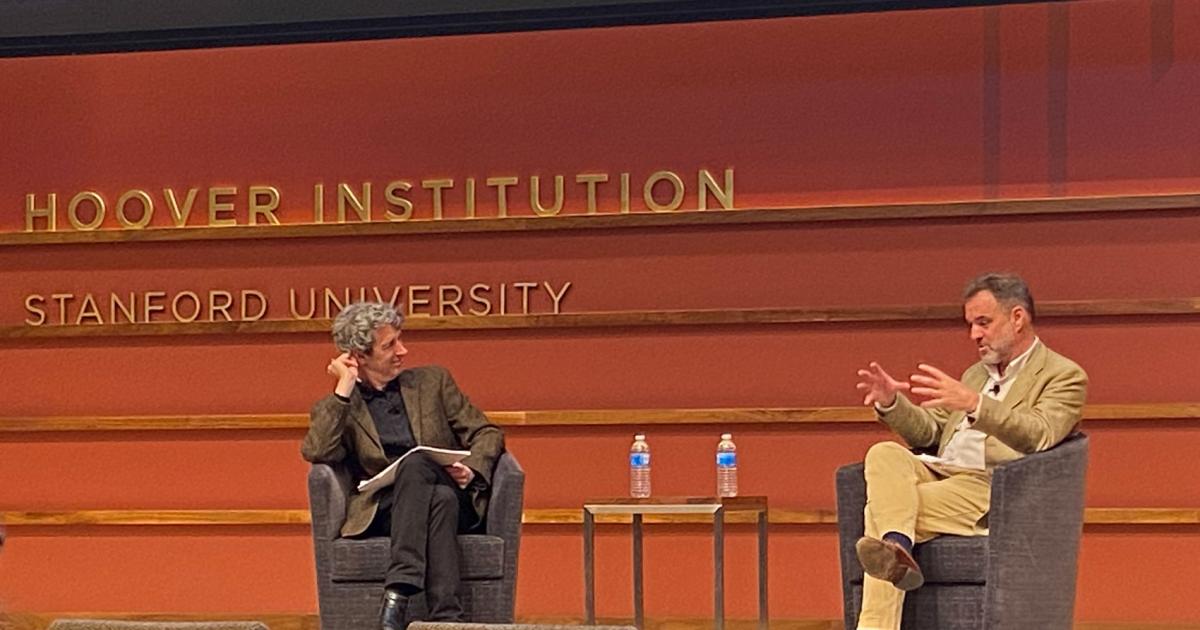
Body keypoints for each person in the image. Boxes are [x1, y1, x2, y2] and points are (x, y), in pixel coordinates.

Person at [852, 272, 1087, 630]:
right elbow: (930, 431)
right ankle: (897, 543)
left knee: (878, 512)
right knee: (884, 452)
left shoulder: (1063, 375)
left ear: (1017, 318)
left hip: (992, 486)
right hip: (942, 469)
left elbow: (1040, 434)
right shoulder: (977, 374)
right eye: (971, 325)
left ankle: (892, 554)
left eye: (983, 322)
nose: (974, 334)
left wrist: (977, 404)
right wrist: (892, 403)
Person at [302, 302, 504, 630]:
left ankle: (398, 590)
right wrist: (343, 387)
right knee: (439, 498)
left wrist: (473, 470)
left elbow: (486, 432)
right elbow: (317, 450)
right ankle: (447, 620)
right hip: (388, 508)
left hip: (454, 489)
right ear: (359, 355)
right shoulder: (341, 405)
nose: (403, 350)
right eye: (389, 345)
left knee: (421, 467)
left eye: (400, 339)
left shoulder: (432, 382)